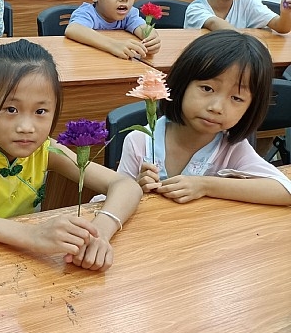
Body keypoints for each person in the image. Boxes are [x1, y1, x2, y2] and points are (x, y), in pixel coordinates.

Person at [0, 39, 142, 271]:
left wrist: (100, 232)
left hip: (12, 258)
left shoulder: (46, 149)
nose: (26, 127)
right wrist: (30, 234)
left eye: (40, 111)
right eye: (11, 109)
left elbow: (126, 186)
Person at [118, 31, 291, 205]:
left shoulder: (232, 149)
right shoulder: (140, 142)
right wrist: (137, 189)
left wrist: (206, 186)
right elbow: (113, 198)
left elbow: (285, 191)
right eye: (207, 88)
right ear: (182, 83)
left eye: (236, 98)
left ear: (250, 108)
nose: (216, 107)